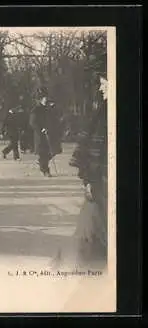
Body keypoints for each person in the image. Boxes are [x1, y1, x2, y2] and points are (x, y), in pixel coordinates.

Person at [69, 69, 108, 268]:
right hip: (100, 178)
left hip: (104, 178)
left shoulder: (105, 113)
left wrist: (90, 179)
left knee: (97, 227)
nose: (101, 88)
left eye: (105, 84)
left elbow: (97, 150)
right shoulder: (102, 111)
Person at [29, 87, 63, 177]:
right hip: (41, 135)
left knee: (52, 151)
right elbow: (33, 122)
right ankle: (45, 170)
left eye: (46, 98)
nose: (46, 100)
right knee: (43, 153)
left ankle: (41, 163)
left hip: (50, 133)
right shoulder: (36, 110)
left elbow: (54, 118)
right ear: (40, 99)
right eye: (43, 98)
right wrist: (41, 129)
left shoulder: (49, 108)